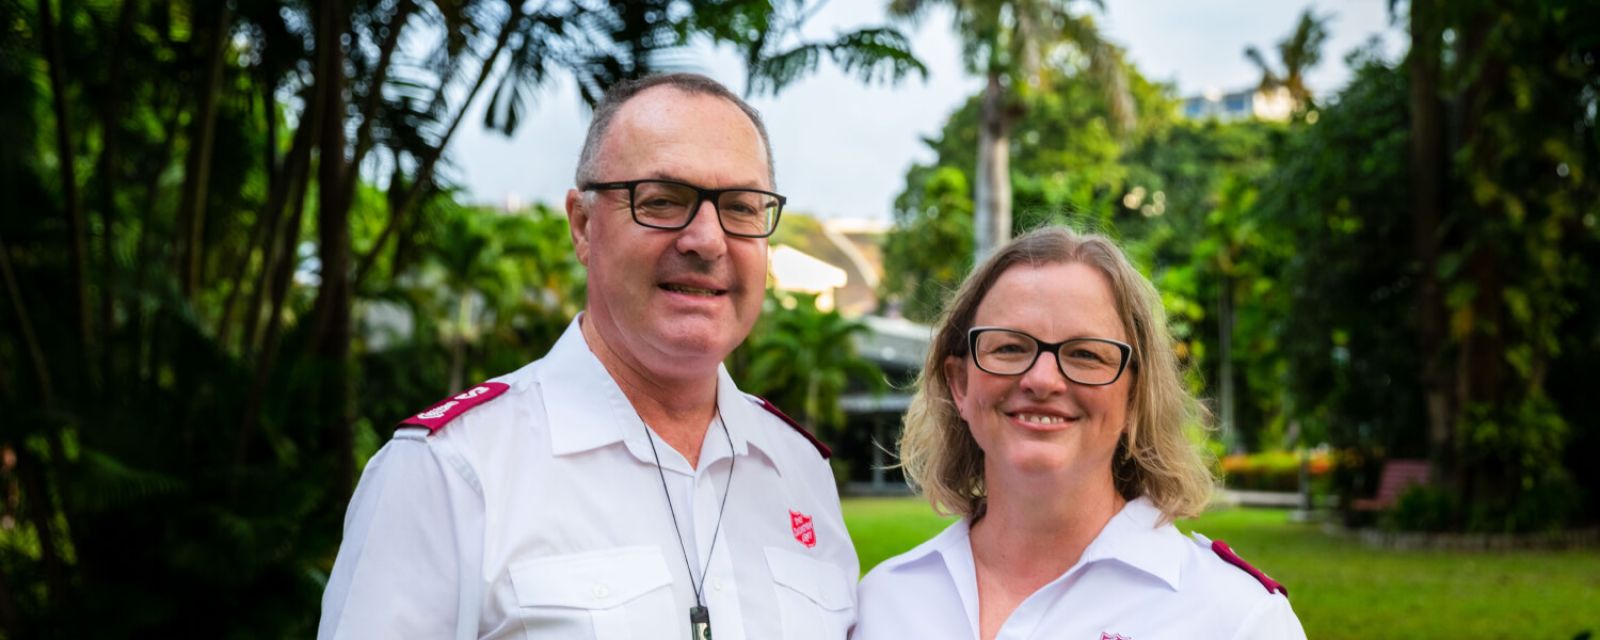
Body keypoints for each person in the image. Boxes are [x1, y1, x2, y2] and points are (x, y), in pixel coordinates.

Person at [319, 73, 858, 640]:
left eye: (742, 207)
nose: (707, 240)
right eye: (662, 201)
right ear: (582, 225)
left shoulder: (800, 472)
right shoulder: (452, 473)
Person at [852, 227, 1305, 640]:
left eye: (1086, 354)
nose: (1043, 380)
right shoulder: (882, 606)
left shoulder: (1237, 619)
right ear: (961, 384)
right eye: (1009, 347)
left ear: (1135, 396)